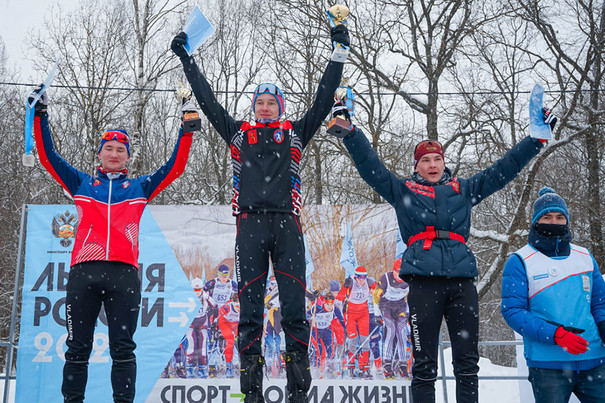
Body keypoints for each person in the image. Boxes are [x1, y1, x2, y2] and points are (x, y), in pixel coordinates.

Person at [171, 22, 349, 402]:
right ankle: (251, 393)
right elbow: (207, 100)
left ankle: (298, 393)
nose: (265, 107)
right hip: (249, 226)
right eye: (260, 102)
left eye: (271, 102)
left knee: (294, 309)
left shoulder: (295, 132)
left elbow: (323, 99)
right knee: (250, 312)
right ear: (253, 107)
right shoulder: (238, 134)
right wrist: (187, 59)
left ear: (280, 107)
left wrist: (338, 52)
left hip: (287, 225)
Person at [334, 101, 550, 402]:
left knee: (467, 365)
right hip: (424, 283)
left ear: (444, 162)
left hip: (461, 282)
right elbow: (371, 168)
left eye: (437, 159)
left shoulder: (464, 189)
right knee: (424, 365)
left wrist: (535, 140)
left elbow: (503, 170)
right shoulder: (402, 190)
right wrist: (350, 133)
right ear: (416, 166)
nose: (432, 165)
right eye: (426, 160)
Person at [30, 87, 193, 402]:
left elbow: (175, 167)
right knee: (77, 348)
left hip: (123, 275)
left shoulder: (139, 187)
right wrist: (41, 115)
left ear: (128, 157)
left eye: (121, 149)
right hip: (84, 274)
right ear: (100, 154)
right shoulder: (81, 183)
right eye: (109, 148)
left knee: (123, 348)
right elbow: (48, 158)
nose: (114, 154)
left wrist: (185, 131)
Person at [501, 187, 605, 403]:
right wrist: (556, 335)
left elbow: (599, 304)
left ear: (567, 220)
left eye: (560, 217)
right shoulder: (520, 260)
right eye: (547, 217)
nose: (554, 222)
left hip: (593, 359)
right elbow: (513, 311)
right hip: (547, 364)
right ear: (536, 221)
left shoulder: (584, 256)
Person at [374, 258, 412, 379]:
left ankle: (403, 365)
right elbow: (375, 295)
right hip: (386, 306)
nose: (399, 275)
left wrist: (408, 312)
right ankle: (387, 364)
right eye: (397, 272)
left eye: (402, 272)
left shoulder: (409, 278)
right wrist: (376, 314)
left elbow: (411, 297)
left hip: (400, 306)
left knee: (402, 332)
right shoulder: (385, 278)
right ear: (393, 270)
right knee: (390, 331)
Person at [336, 266, 377, 379]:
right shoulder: (351, 282)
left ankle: (365, 367)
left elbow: (379, 290)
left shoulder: (369, 282)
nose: (361, 280)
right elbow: (339, 297)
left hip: (364, 314)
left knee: (365, 341)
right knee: (353, 340)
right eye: (359, 278)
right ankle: (351, 366)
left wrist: (374, 290)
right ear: (355, 277)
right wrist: (345, 287)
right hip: (351, 314)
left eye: (363, 278)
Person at [204, 264, 238, 377]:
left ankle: (231, 365)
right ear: (218, 274)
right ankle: (212, 367)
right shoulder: (212, 283)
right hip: (214, 313)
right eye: (222, 276)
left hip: (227, 315)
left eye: (226, 276)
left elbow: (238, 297)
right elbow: (203, 295)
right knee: (213, 340)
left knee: (229, 340)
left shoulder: (233, 284)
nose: (224, 278)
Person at [308, 292, 345, 378]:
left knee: (331, 349)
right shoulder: (318, 308)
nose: (329, 307)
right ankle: (317, 369)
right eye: (327, 304)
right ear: (324, 303)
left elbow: (341, 320)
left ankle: (331, 368)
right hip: (316, 331)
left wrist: (346, 328)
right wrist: (309, 319)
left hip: (326, 330)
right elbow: (307, 315)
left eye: (331, 304)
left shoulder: (335, 309)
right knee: (319, 349)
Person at [185, 277, 211, 378]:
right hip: (190, 323)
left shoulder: (205, 296)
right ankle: (189, 369)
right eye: (194, 290)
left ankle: (201, 369)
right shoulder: (186, 297)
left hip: (202, 322)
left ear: (202, 289)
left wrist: (212, 319)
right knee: (192, 344)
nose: (196, 292)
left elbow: (215, 306)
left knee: (202, 346)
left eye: (199, 289)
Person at [218, 294, 241, 378]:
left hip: (236, 324)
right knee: (230, 340)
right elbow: (218, 318)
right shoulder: (226, 307)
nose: (239, 309)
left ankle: (242, 363)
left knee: (243, 339)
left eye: (241, 306)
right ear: (233, 303)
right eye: (237, 306)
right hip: (225, 323)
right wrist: (216, 329)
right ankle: (229, 365)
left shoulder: (246, 307)